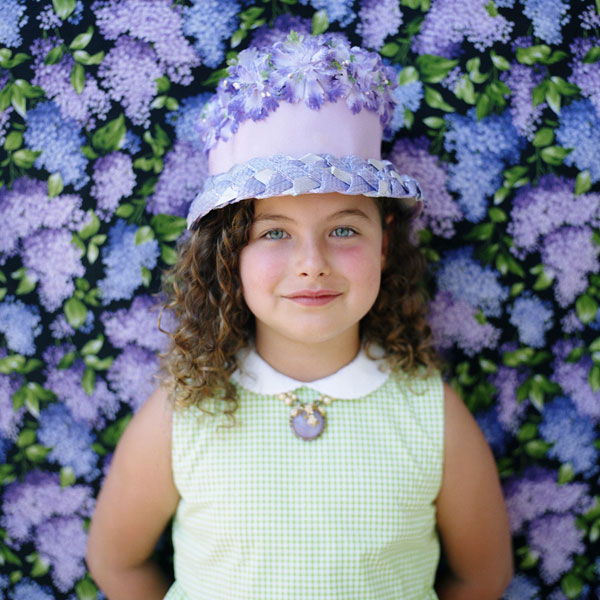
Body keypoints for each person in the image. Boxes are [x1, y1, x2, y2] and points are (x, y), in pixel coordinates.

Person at [86, 33, 513, 600]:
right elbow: (116, 561)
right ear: (229, 253)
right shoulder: (184, 411)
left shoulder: (431, 415)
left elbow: (484, 575)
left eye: (343, 229)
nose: (311, 265)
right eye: (274, 233)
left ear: (384, 245)